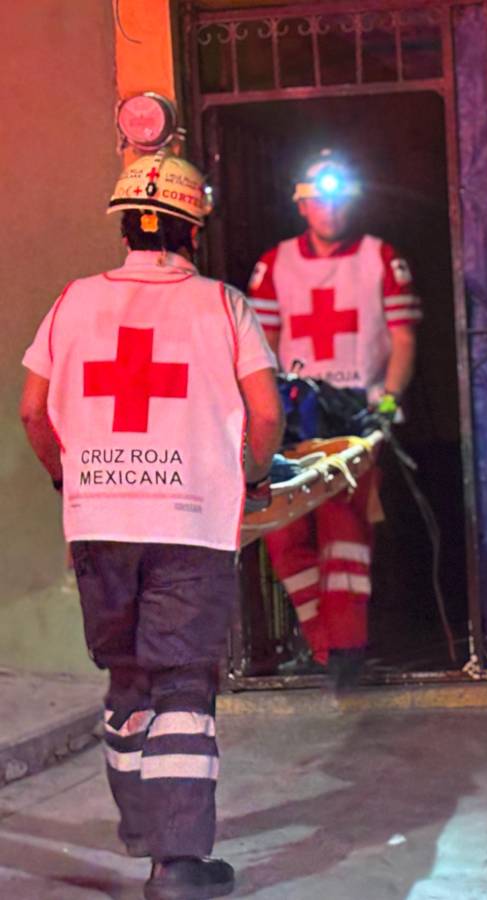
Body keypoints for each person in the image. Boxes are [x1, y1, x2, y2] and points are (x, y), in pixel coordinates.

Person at [19, 149, 283, 900]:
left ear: (124, 228)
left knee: (126, 678)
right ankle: (177, 863)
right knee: (182, 686)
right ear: (192, 231)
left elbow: (36, 411)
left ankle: (142, 834)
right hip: (189, 525)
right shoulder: (222, 305)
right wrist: (254, 475)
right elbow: (264, 414)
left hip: (98, 523)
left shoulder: (72, 302)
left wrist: (69, 478)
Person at [247, 150, 420, 684]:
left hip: (355, 416)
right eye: (319, 197)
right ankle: (324, 645)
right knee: (283, 534)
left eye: (340, 196)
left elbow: (402, 336)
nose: (330, 208)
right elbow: (262, 346)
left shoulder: (380, 257)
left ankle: (346, 653)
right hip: (296, 417)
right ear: (302, 204)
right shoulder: (274, 265)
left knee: (345, 536)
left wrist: (388, 399)